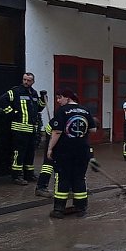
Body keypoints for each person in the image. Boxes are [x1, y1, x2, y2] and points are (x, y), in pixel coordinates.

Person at [46, 88, 96, 218]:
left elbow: (57, 132)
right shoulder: (85, 110)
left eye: (60, 98)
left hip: (64, 151)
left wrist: (50, 148)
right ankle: (81, 208)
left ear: (67, 98)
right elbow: (93, 129)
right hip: (82, 151)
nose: (58, 101)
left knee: (63, 179)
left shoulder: (62, 111)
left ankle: (58, 209)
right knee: (79, 178)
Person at [0, 72, 46, 185]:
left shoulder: (34, 93)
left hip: (32, 129)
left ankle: (29, 174)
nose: (26, 82)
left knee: (30, 153)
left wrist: (43, 99)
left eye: (29, 80)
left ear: (33, 82)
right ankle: (16, 176)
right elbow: (2, 100)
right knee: (19, 153)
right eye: (24, 79)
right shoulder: (16, 91)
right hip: (19, 129)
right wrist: (12, 113)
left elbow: (39, 108)